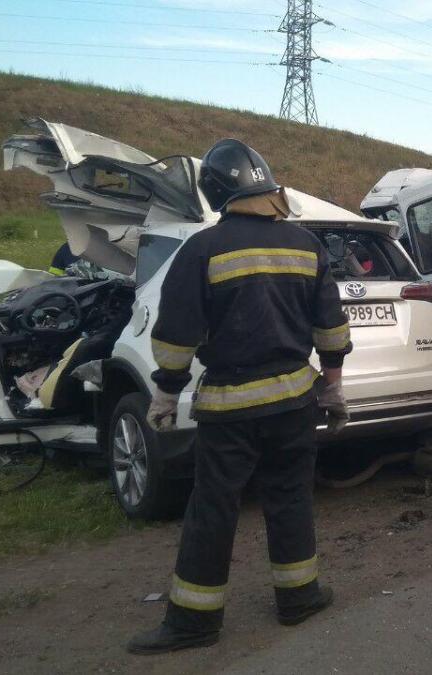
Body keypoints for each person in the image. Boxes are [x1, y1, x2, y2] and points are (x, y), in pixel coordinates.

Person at [127, 139, 352, 655]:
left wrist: (165, 395)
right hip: (296, 401)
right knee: (291, 499)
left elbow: (176, 337)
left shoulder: (202, 249)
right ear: (266, 185)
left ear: (217, 193)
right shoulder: (306, 246)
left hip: (230, 408)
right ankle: (300, 597)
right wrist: (333, 390)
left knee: (214, 508)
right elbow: (331, 332)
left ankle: (193, 623)